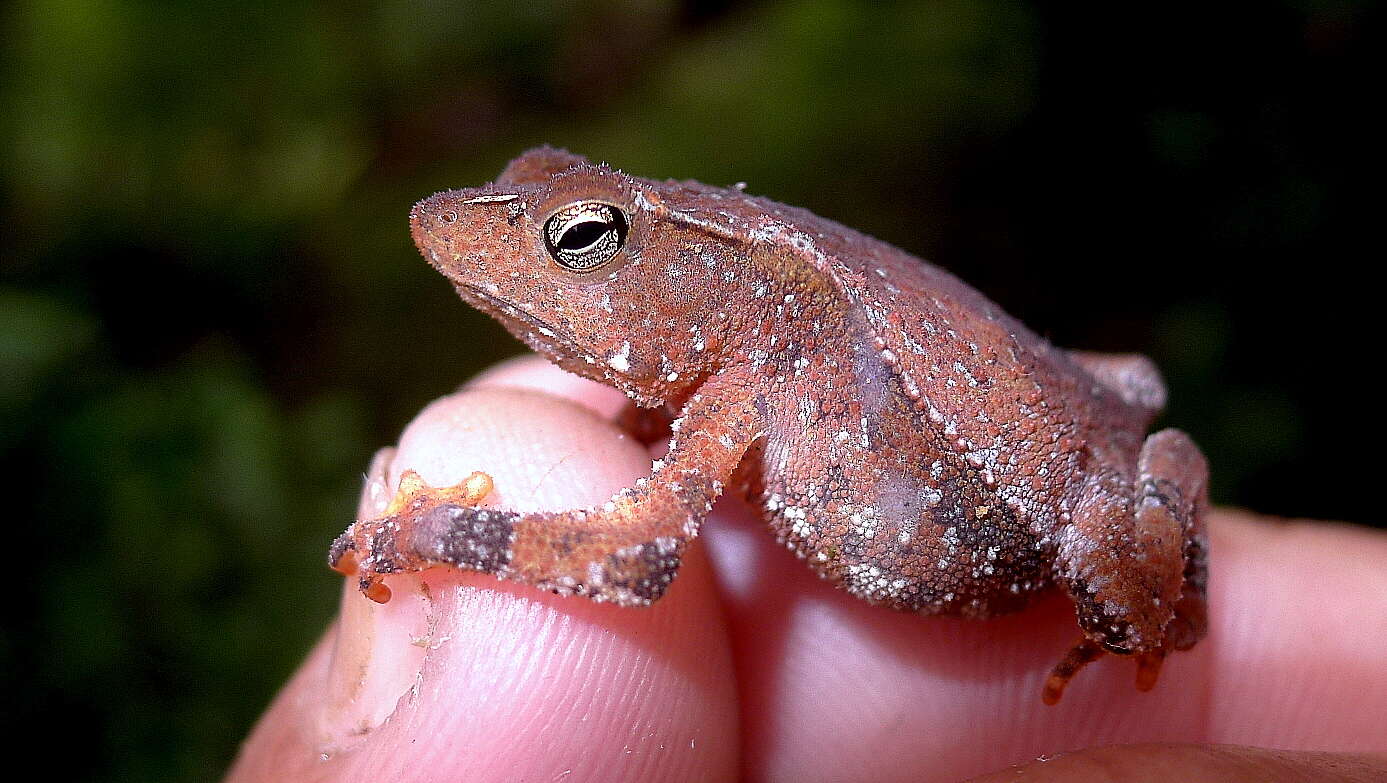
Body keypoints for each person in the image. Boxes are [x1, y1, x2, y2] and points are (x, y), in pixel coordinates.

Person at [227, 357, 1387, 782]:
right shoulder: (723, 393)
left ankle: (1156, 614)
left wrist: (430, 539)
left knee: (1123, 567)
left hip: (1048, 500)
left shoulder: (750, 365)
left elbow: (629, 567)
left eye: (583, 243)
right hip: (1008, 415)